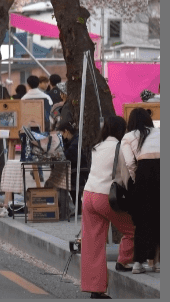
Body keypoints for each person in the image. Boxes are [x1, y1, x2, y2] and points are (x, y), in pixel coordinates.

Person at [80, 116, 135, 298]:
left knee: (92, 243)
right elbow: (126, 174)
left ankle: (95, 289)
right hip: (106, 196)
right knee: (133, 228)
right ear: (121, 129)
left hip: (88, 195)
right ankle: (124, 261)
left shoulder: (97, 146)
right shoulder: (120, 146)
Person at [121, 108, 159, 274]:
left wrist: (138, 181)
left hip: (143, 171)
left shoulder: (128, 137)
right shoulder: (159, 132)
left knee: (143, 219)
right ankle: (157, 263)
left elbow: (130, 163)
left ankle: (138, 262)